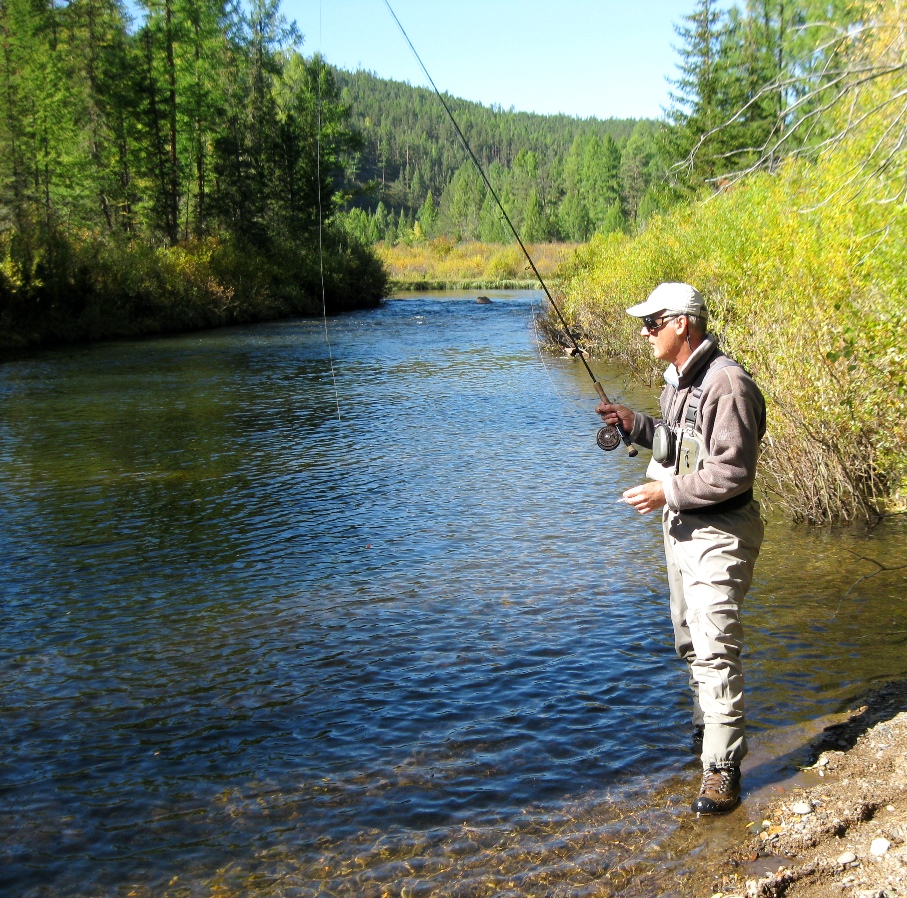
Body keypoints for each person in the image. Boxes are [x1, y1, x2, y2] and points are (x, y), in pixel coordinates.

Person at [597, 282, 766, 815]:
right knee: (690, 643)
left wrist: (665, 490)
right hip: (682, 531)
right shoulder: (678, 385)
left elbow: (732, 471)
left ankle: (722, 771)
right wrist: (637, 425)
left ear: (682, 324)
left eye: (652, 323)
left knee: (715, 649)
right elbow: (681, 444)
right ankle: (706, 737)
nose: (644, 332)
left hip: (719, 534)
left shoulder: (728, 384)